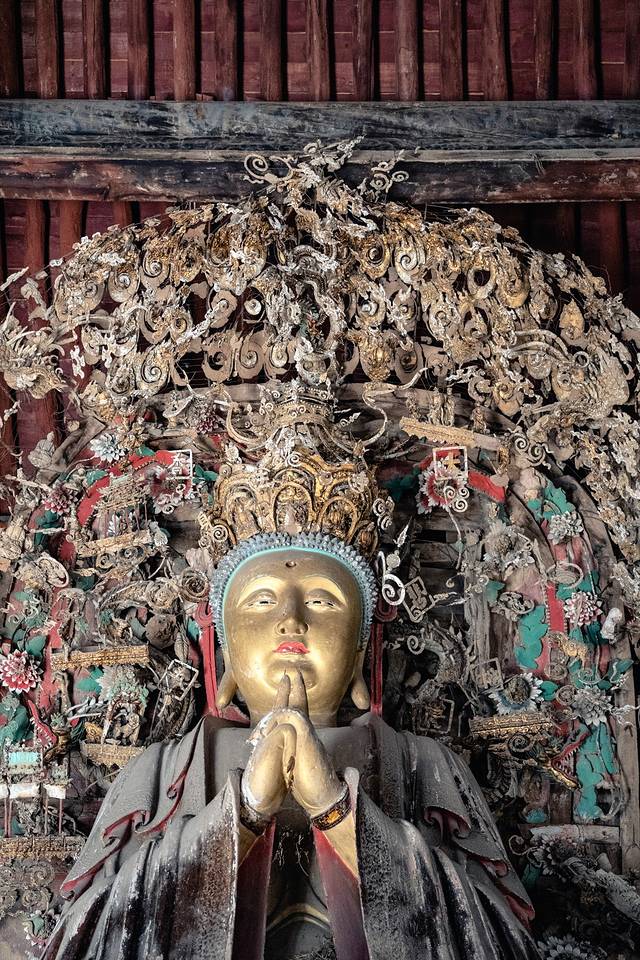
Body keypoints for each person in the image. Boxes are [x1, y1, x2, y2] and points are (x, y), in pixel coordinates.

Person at [44, 391, 540, 960]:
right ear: (225, 654)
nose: (291, 620)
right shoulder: (160, 775)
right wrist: (243, 815)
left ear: (360, 652)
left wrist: (337, 810)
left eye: (324, 601)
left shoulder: (425, 767)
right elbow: (89, 937)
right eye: (261, 600)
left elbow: (502, 939)